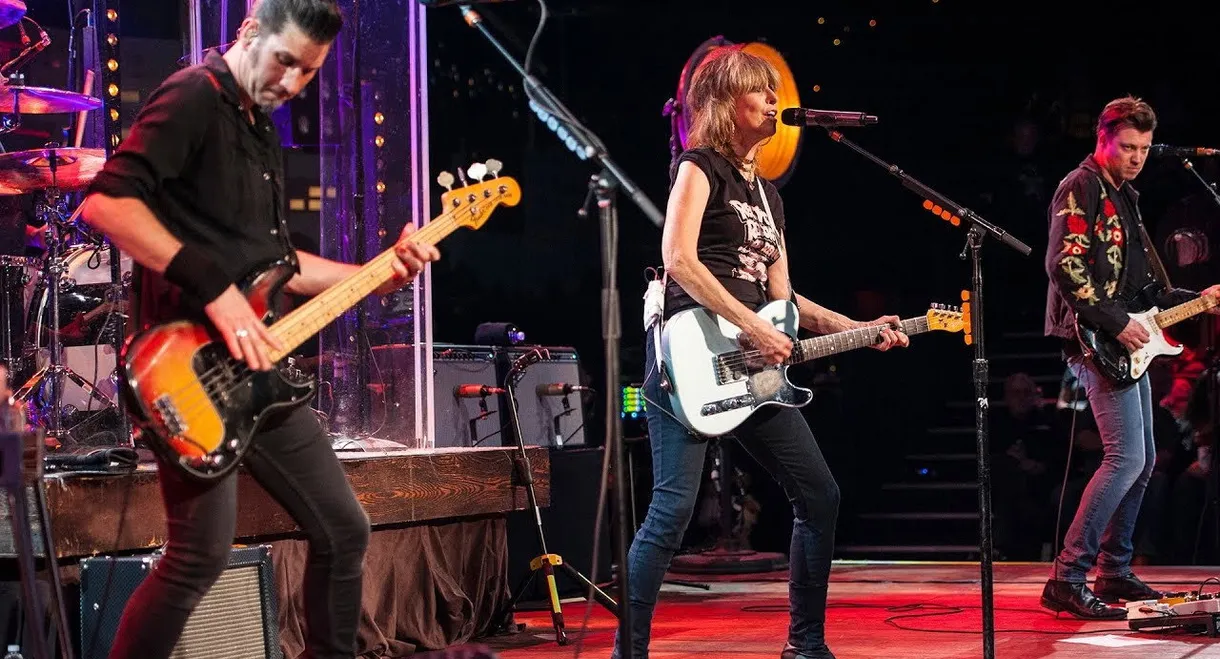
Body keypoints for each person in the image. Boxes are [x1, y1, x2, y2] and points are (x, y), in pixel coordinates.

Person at [78, 2, 440, 657]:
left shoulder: (259, 131)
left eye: (309, 71)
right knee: (197, 559)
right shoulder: (194, 95)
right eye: (286, 61)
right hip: (187, 371)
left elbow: (280, 266)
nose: (294, 82)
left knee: (343, 529)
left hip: (254, 374)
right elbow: (106, 202)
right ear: (249, 33)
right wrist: (213, 286)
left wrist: (378, 273)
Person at [615, 46, 908, 659]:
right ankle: (629, 653)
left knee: (819, 494)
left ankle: (805, 646)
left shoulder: (769, 196)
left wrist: (862, 326)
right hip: (689, 353)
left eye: (776, 94)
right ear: (727, 102)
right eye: (763, 93)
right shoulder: (700, 167)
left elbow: (787, 298)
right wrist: (750, 324)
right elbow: (679, 261)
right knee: (670, 512)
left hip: (752, 366)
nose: (776, 104)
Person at [1042, 95, 1220, 618]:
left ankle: (1113, 570)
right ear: (1102, 138)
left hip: (1123, 337)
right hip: (1096, 338)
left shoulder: (1126, 196)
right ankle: (1067, 576)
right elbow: (1064, 266)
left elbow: (1147, 290)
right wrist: (1117, 325)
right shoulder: (1082, 187)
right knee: (1126, 459)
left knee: (1140, 464)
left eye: (1143, 148)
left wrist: (1202, 299)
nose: (1137, 157)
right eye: (1126, 147)